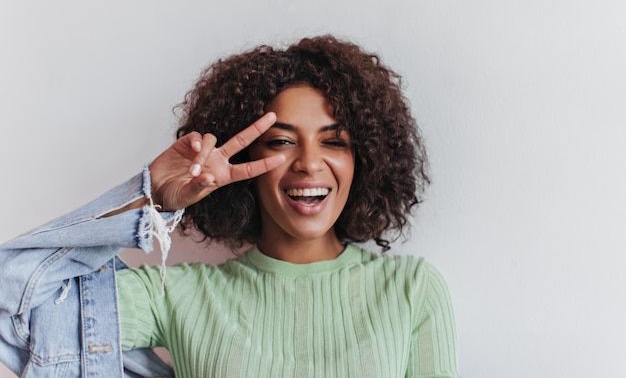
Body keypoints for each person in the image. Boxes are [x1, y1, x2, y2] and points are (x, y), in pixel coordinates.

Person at [0, 35, 458, 378]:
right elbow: (9, 304)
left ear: (365, 159)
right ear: (247, 160)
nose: (310, 164)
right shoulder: (177, 296)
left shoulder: (411, 290)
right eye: (281, 142)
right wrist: (153, 198)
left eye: (334, 141)